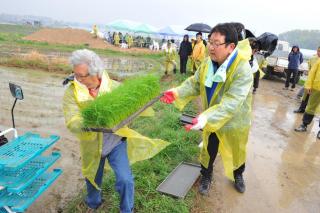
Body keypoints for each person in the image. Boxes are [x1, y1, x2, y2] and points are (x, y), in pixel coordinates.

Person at [63, 49, 169, 212]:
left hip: (115, 143)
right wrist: (87, 122)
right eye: (75, 74)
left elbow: (130, 104)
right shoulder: (72, 92)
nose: (77, 79)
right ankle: (93, 203)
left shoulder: (113, 86)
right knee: (92, 179)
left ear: (95, 72)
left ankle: (127, 209)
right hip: (91, 146)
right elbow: (71, 119)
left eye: (81, 75)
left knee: (125, 180)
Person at [160, 23, 253, 195]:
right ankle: (206, 175)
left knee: (236, 148)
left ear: (231, 47)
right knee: (209, 149)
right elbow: (194, 83)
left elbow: (232, 103)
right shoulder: (207, 63)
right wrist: (177, 92)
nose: (211, 47)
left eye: (216, 43)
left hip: (234, 120)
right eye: (210, 42)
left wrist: (205, 118)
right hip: (211, 117)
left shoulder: (242, 69)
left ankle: (238, 174)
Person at [294, 58, 320, 139]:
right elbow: (312, 73)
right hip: (316, 87)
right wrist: (308, 85)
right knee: (311, 107)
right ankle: (304, 125)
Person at [294, 46, 320, 113]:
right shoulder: (312, 58)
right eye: (318, 51)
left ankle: (311, 113)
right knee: (306, 96)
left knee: (315, 100)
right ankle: (301, 109)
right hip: (310, 82)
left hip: (318, 84)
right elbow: (310, 69)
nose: (319, 53)